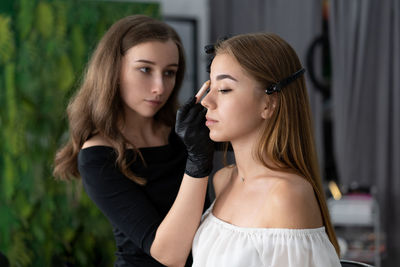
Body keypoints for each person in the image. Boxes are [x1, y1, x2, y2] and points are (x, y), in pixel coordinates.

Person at [53, 15, 214, 267]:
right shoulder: (97, 156)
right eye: (145, 69)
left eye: (169, 72)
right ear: (113, 70)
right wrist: (198, 161)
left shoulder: (184, 132)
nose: (159, 87)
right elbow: (169, 255)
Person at [191, 33, 342, 266]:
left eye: (224, 89)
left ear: (268, 104)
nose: (206, 101)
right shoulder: (223, 179)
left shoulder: (285, 196)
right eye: (210, 86)